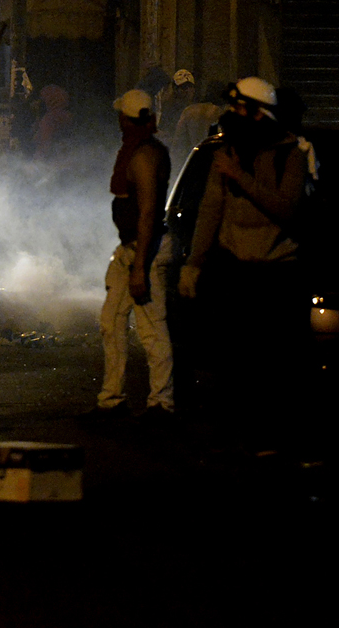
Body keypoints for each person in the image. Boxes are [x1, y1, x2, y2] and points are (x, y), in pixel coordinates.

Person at [177, 77, 308, 451]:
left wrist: (240, 177)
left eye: (240, 108)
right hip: (236, 273)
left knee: (273, 367)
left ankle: (275, 441)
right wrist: (194, 263)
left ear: (259, 113)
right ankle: (236, 441)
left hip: (276, 276)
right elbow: (210, 210)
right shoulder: (228, 151)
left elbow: (286, 208)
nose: (232, 115)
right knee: (233, 364)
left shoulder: (290, 155)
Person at [82, 89, 175, 422]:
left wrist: (139, 268)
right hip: (131, 249)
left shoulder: (144, 156)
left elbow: (148, 213)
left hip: (144, 251)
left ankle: (161, 404)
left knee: (151, 330)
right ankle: (112, 400)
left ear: (126, 118)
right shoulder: (138, 150)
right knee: (111, 322)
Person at [31, 84, 74, 161]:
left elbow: (45, 144)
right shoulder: (68, 116)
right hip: (66, 159)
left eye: (40, 100)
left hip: (50, 162)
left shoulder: (49, 119)